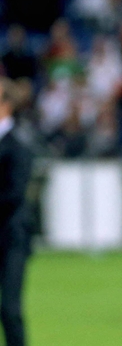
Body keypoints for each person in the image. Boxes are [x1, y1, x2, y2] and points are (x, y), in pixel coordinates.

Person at [0, 77, 35, 346]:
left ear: (7, 105)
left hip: (12, 235)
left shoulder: (19, 142)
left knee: (10, 309)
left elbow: (14, 192)